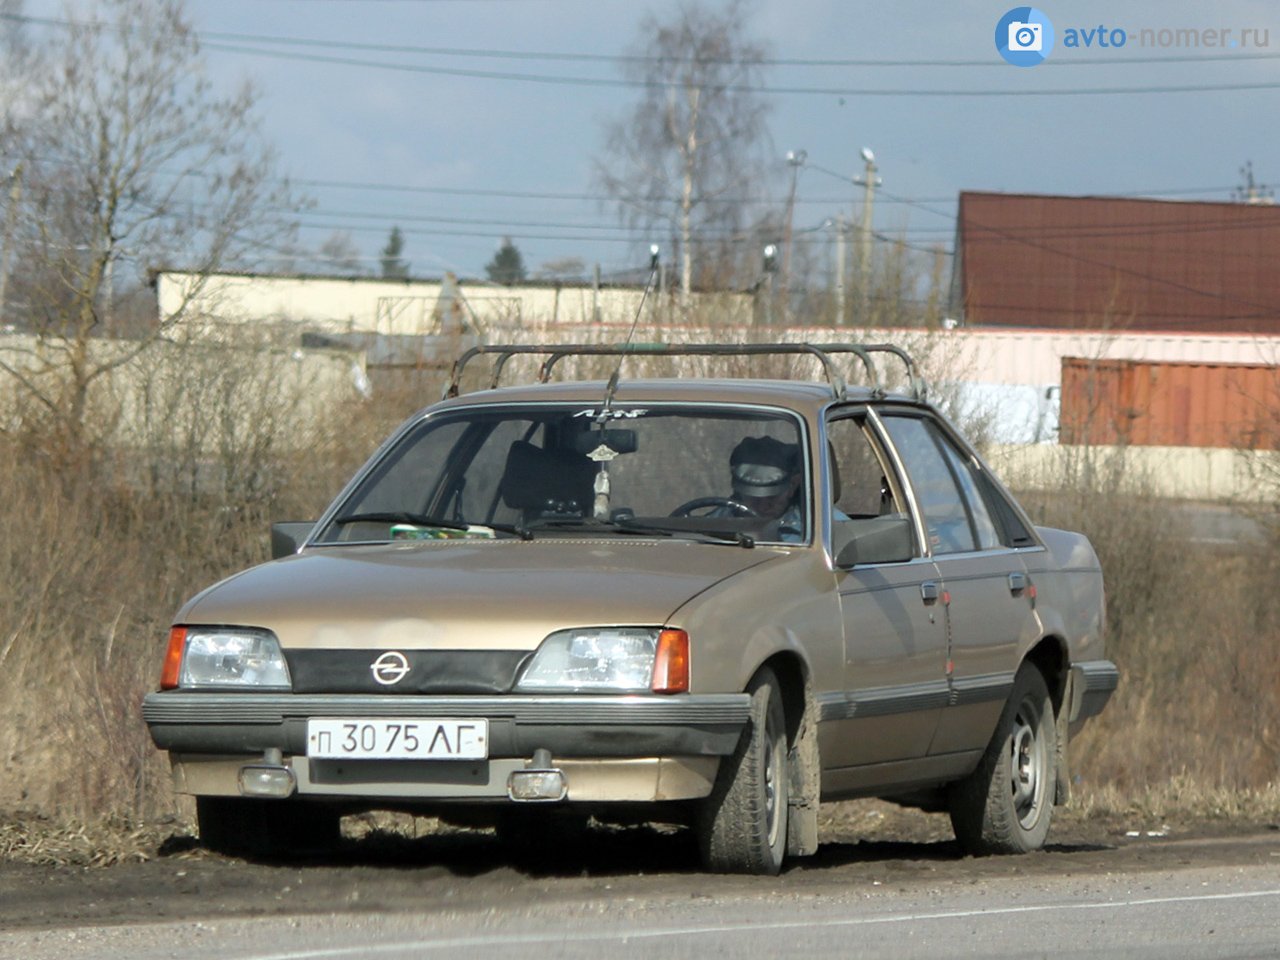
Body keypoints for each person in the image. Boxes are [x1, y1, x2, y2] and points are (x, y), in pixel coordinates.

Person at [725, 435, 804, 541]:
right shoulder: (716, 522)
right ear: (739, 492)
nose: (762, 507)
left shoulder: (818, 528)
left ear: (793, 485)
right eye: (753, 497)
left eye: (772, 497)